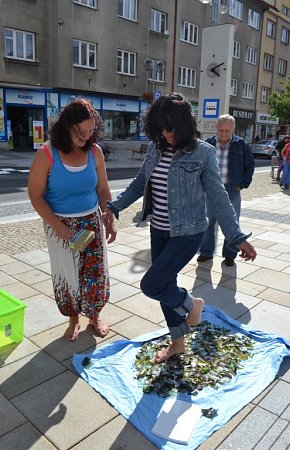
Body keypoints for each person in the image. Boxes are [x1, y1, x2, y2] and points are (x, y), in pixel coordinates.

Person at [102, 93, 256, 363]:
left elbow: (219, 198)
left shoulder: (203, 152)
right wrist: (114, 207)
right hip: (158, 229)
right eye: (160, 126)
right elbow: (140, 182)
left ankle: (192, 304)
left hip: (188, 232)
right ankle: (178, 343)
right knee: (165, 285)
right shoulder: (155, 147)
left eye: (170, 126)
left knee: (152, 283)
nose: (165, 132)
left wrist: (236, 237)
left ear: (184, 124)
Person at [28, 98, 117, 341]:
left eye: (91, 131)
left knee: (95, 272)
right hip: (60, 225)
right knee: (68, 275)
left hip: (91, 222)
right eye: (81, 132)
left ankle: (95, 315)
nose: (87, 137)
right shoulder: (47, 153)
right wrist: (57, 226)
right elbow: (35, 196)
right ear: (67, 126)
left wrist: (109, 218)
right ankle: (73, 318)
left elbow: (102, 189)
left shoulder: (95, 151)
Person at [197, 114, 255, 267]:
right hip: (210, 190)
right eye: (221, 130)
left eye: (227, 131)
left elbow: (249, 166)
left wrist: (241, 185)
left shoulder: (241, 144)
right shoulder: (207, 144)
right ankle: (206, 252)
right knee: (208, 222)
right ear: (216, 128)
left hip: (232, 190)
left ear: (233, 130)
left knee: (231, 223)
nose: (223, 134)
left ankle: (230, 254)